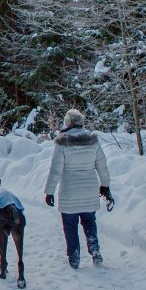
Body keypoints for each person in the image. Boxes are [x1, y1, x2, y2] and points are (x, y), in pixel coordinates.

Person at [43, 109, 112, 269]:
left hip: (69, 192)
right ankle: (94, 249)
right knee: (89, 221)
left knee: (70, 225)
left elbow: (55, 170)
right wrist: (105, 186)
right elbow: (102, 166)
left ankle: (74, 256)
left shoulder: (62, 142)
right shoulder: (92, 140)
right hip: (89, 190)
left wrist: (49, 191)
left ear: (68, 123)